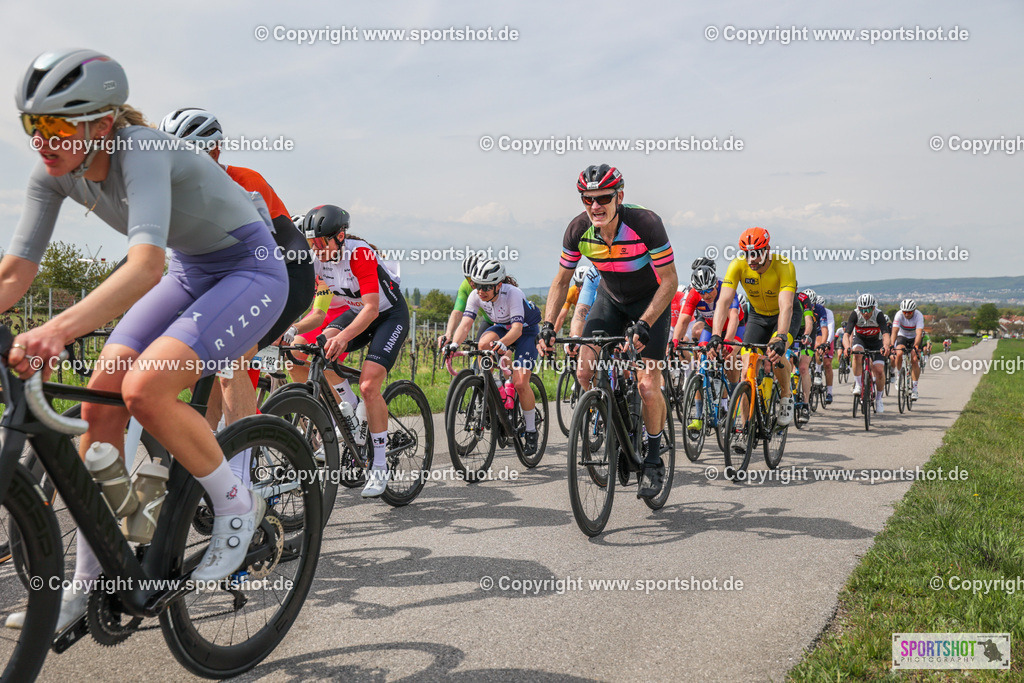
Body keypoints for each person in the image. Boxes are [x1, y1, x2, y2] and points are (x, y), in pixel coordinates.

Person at [1, 49, 284, 630]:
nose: (41, 140)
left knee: (146, 390)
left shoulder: (142, 150)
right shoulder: (51, 173)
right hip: (190, 271)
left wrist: (56, 328)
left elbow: (145, 266)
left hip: (249, 269)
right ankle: (89, 581)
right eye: (33, 124)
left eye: (55, 125)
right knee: (98, 403)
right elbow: (15, 273)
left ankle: (238, 505)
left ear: (102, 123)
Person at [158, 108, 315, 473]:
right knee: (202, 366)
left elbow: (257, 256)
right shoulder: (177, 193)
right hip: (236, 278)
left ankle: (242, 473)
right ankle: (204, 466)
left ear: (214, 151)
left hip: (287, 275)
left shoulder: (245, 181)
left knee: (232, 359)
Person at [538, 164, 678, 499]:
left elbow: (670, 281)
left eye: (603, 198)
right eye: (588, 199)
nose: (595, 205)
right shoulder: (578, 230)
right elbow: (561, 281)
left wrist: (646, 322)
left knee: (647, 385)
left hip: (651, 302)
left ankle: (653, 458)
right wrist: (547, 325)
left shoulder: (646, 224)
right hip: (610, 300)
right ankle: (615, 426)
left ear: (619, 196)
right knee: (584, 371)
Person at [309, 205, 409, 498]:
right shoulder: (318, 258)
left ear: (339, 236)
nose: (316, 249)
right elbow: (298, 295)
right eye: (311, 243)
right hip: (356, 313)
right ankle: (350, 407)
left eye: (320, 242)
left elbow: (372, 308)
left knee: (368, 385)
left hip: (388, 316)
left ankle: (379, 466)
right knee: (318, 350)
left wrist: (344, 338)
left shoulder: (360, 254)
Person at [447, 258, 542, 454]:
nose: (480, 291)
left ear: (498, 285)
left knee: (520, 383)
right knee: (482, 344)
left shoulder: (512, 293)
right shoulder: (475, 295)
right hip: (502, 326)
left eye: (486, 287)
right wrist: (454, 344)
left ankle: (531, 431)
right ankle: (495, 386)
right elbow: (466, 324)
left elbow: (516, 330)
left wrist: (503, 344)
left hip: (526, 330)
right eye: (477, 285)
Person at [710, 227, 798, 430]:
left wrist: (781, 337)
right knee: (746, 369)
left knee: (775, 354)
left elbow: (786, 305)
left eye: (756, 254)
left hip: (783, 316)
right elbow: (723, 302)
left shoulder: (784, 265)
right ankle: (746, 428)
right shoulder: (737, 265)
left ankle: (786, 395)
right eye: (747, 254)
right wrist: (715, 335)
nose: (751, 260)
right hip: (758, 316)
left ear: (767, 250)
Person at [843, 293, 891, 413]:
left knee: (879, 371)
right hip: (860, 340)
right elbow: (846, 334)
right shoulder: (855, 314)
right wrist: (847, 347)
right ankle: (858, 384)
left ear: (873, 307)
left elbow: (885, 334)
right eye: (862, 309)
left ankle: (879, 399)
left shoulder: (878, 314)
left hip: (876, 342)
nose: (865, 313)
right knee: (856, 354)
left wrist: (886, 346)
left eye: (868, 309)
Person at [439, 250, 492, 351]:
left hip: (509, 323)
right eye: (468, 278)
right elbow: (457, 312)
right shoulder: (465, 287)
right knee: (478, 350)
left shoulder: (494, 285)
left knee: (502, 352)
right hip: (489, 321)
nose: (471, 283)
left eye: (474, 278)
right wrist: (448, 334)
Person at [889, 298, 924, 400]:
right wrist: (892, 345)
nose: (907, 314)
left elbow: (919, 333)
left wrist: (916, 346)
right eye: (905, 312)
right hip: (902, 336)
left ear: (914, 310)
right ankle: (899, 375)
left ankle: (915, 389)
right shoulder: (899, 314)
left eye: (909, 312)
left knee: (914, 360)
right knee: (899, 353)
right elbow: (894, 331)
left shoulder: (919, 315)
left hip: (914, 337)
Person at [815, 295, 836, 404]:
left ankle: (829, 392)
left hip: (827, 337)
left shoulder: (828, 312)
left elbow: (831, 329)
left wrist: (827, 343)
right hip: (815, 336)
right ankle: (815, 371)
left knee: (827, 364)